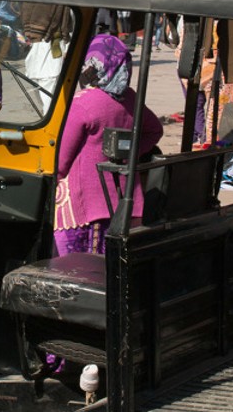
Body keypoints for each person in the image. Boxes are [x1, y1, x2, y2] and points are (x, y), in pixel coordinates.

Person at [53, 34, 163, 255]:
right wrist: (128, 154)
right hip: (125, 202)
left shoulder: (83, 104)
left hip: (86, 206)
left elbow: (61, 161)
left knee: (77, 271)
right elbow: (155, 130)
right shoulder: (131, 100)